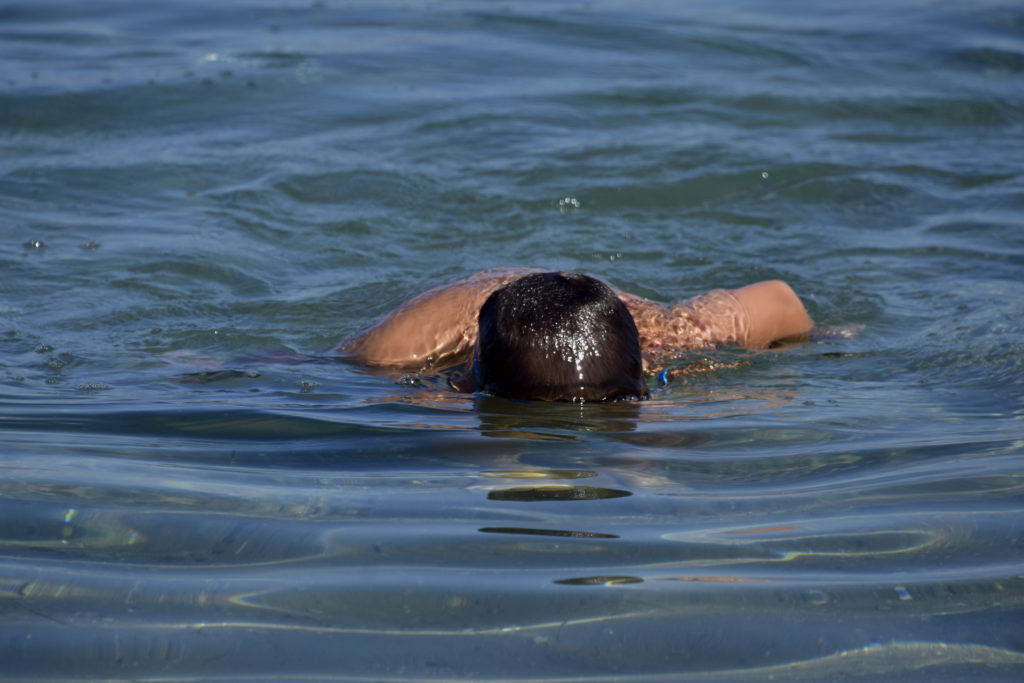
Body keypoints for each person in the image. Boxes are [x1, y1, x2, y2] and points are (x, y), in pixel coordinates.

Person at [337, 267, 815, 402]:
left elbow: (781, 300)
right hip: (464, 308)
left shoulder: (675, 336)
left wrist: (826, 338)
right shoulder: (396, 353)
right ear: (462, 380)